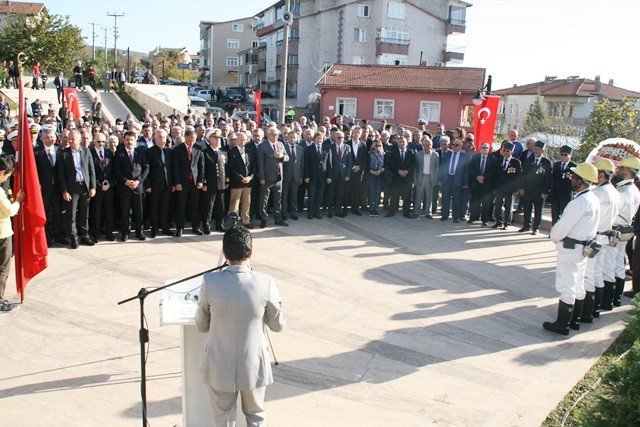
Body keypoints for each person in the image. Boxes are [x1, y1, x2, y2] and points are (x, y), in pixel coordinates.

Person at [196, 225, 285, 426]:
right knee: (256, 416)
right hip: (253, 364)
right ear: (250, 252)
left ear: (224, 252)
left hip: (219, 363)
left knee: (224, 419)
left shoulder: (210, 281)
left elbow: (201, 324)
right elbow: (277, 325)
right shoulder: (265, 282)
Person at [544, 162, 599, 335]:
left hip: (571, 248)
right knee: (578, 284)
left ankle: (562, 325)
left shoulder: (579, 202)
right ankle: (574, 321)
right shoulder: (592, 198)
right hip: (581, 248)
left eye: (574, 177)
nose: (571, 179)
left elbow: (563, 226)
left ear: (581, 181)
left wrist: (553, 236)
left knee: (566, 285)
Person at [581, 159, 619, 322]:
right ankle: (595, 308)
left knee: (589, 275)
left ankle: (587, 312)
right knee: (599, 273)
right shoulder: (614, 191)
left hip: (596, 236)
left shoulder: (598, 192)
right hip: (605, 237)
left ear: (602, 174)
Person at [608, 156, 640, 308]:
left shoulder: (624, 191)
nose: (618, 170)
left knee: (610, 265)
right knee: (619, 264)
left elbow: (612, 212)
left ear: (627, 172)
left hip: (616, 229)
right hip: (625, 230)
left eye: (621, 168)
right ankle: (616, 299)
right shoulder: (633, 189)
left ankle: (608, 299)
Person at [57, 130, 97, 248]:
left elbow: (91, 170)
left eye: (72, 139)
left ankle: (85, 236)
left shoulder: (86, 151)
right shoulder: (63, 153)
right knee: (71, 215)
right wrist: (64, 191)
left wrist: (93, 186)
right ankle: (73, 238)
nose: (69, 140)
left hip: (84, 186)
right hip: (71, 188)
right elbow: (61, 174)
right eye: (69, 138)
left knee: (85, 214)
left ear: (79, 140)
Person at [113, 131, 149, 241]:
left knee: (139, 210)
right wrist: (126, 181)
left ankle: (139, 232)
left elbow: (146, 168)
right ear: (123, 140)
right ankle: (125, 232)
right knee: (125, 210)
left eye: (131, 139)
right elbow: (116, 170)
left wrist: (138, 181)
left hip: (138, 186)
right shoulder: (119, 153)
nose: (129, 142)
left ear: (135, 140)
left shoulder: (141, 152)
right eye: (127, 139)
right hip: (124, 187)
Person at [0, 158, 25, 312]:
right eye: (7, 176)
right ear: (2, 173)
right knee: (3, 268)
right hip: (2, 234)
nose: (7, 178)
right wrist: (18, 201)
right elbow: (10, 211)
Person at [172, 127, 205, 236]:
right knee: (181, 206)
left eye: (194, 140)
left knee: (194, 206)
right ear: (185, 137)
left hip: (195, 183)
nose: (192, 143)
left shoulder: (199, 149)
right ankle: (179, 228)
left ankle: (195, 226)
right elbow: (175, 168)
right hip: (182, 182)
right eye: (190, 140)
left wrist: (200, 181)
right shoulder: (177, 150)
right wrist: (177, 183)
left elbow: (201, 166)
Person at [34, 127, 62, 246]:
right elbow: (34, 171)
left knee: (57, 213)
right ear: (42, 139)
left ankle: (58, 236)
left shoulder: (60, 151)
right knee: (44, 213)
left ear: (55, 139)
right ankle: (46, 238)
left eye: (51, 137)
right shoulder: (37, 152)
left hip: (57, 189)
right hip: (43, 189)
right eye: (47, 137)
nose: (49, 139)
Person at [257, 127, 288, 228]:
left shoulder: (280, 144)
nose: (275, 136)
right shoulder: (262, 146)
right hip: (267, 177)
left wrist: (282, 156)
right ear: (268, 135)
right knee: (264, 200)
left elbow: (287, 157)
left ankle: (278, 219)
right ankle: (264, 219)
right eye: (273, 134)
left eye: (276, 135)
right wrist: (262, 178)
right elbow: (260, 163)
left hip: (279, 177)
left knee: (278, 199)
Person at [518, 141, 551, 234]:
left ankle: (536, 228)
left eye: (537, 149)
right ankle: (526, 225)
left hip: (540, 190)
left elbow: (548, 178)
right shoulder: (529, 160)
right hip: (528, 189)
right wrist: (521, 187)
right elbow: (523, 174)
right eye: (534, 149)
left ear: (542, 150)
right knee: (527, 208)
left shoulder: (546, 162)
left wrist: (545, 191)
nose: (535, 151)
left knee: (538, 210)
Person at [145, 129, 174, 237]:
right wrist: (147, 185)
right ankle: (154, 229)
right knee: (154, 208)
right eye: (160, 137)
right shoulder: (149, 152)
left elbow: (172, 168)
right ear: (155, 138)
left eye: (164, 137)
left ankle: (165, 228)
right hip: (154, 185)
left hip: (167, 185)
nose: (163, 139)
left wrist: (174, 184)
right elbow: (146, 170)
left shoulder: (169, 151)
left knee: (165, 208)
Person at [199, 129, 227, 234]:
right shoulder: (205, 153)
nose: (217, 140)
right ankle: (206, 225)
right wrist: (204, 183)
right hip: (210, 184)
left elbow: (225, 168)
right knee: (208, 207)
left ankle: (220, 224)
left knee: (220, 206)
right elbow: (203, 169)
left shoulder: (222, 152)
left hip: (221, 183)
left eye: (218, 138)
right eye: (215, 138)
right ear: (209, 139)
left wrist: (226, 180)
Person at [89, 132, 116, 243]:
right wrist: (99, 184)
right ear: (94, 141)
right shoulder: (90, 153)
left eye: (103, 142)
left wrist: (109, 182)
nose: (101, 143)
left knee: (109, 211)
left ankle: (109, 233)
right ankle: (96, 234)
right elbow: (90, 172)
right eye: (98, 141)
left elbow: (114, 170)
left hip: (109, 188)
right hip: (97, 187)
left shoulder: (110, 153)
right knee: (96, 211)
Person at [228, 132, 257, 228]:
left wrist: (250, 177)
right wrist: (241, 178)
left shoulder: (250, 151)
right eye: (241, 139)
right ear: (236, 140)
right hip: (237, 182)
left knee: (246, 202)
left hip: (248, 182)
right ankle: (233, 221)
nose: (242, 141)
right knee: (235, 202)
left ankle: (246, 220)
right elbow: (232, 168)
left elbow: (253, 166)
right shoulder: (232, 151)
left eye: (244, 139)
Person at [492, 142, 521, 230]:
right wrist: (495, 187)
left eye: (507, 151)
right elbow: (495, 174)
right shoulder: (499, 160)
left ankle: (506, 223)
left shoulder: (516, 162)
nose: (505, 152)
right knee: (497, 205)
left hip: (510, 188)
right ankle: (498, 221)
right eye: (504, 150)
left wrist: (516, 188)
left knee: (508, 206)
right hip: (500, 187)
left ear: (511, 152)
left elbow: (518, 176)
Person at [437, 139, 468, 222]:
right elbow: (442, 167)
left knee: (456, 200)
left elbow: (466, 171)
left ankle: (456, 217)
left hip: (458, 180)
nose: (454, 146)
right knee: (445, 198)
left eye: (456, 145)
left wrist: (465, 183)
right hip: (447, 179)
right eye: (453, 144)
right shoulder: (447, 154)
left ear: (461, 147)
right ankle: (444, 215)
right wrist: (439, 179)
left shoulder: (464, 156)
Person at [304, 131, 332, 219]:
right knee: (311, 195)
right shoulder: (309, 149)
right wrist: (306, 176)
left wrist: (329, 176)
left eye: (321, 138)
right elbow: (306, 164)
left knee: (319, 196)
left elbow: (329, 164)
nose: (320, 140)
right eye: (318, 138)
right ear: (314, 139)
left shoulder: (327, 148)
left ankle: (316, 212)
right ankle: (310, 213)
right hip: (312, 176)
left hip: (323, 177)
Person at [468, 143, 497, 226]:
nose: (484, 149)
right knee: (474, 201)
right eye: (483, 148)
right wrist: (477, 177)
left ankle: (484, 220)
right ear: (480, 149)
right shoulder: (474, 157)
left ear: (489, 149)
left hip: (487, 184)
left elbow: (493, 171)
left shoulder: (493, 159)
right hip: (475, 183)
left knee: (486, 202)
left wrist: (483, 177)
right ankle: (473, 218)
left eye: (486, 148)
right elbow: (471, 168)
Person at [387, 136, 416, 218]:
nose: (402, 143)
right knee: (394, 195)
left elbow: (413, 164)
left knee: (407, 196)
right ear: (397, 143)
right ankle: (391, 212)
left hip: (407, 178)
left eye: (403, 141)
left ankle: (406, 213)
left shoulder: (411, 152)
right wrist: (398, 171)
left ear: (406, 143)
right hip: (397, 177)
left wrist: (407, 171)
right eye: (400, 142)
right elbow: (391, 163)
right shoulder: (393, 152)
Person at [326, 131, 351, 218]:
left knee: (340, 194)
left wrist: (348, 174)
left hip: (343, 175)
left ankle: (338, 211)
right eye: (339, 137)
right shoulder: (330, 147)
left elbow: (349, 162)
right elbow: (328, 163)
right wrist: (329, 176)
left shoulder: (347, 147)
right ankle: (329, 211)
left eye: (342, 137)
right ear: (335, 138)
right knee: (331, 193)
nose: (341, 139)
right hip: (333, 174)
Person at [413, 137, 439, 219]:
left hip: (430, 178)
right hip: (421, 177)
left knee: (429, 196)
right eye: (426, 145)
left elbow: (437, 168)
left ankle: (428, 212)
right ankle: (416, 212)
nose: (427, 146)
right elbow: (415, 169)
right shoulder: (418, 154)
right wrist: (415, 179)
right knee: (418, 196)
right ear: (423, 145)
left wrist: (435, 179)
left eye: (429, 144)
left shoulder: (436, 155)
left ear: (431, 145)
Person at [281, 129, 305, 221]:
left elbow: (302, 164)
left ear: (297, 138)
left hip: (296, 176)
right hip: (286, 176)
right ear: (288, 138)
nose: (292, 139)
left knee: (294, 196)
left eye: (294, 137)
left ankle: (293, 213)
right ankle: (284, 213)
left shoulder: (300, 149)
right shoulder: (284, 147)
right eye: (291, 137)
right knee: (285, 196)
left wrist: (301, 176)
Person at [550, 145, 576, 224]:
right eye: (562, 155)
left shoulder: (574, 166)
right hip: (555, 195)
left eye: (565, 155)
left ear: (570, 155)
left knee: (565, 217)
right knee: (554, 216)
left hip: (566, 196)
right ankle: (554, 232)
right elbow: (552, 178)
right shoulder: (556, 165)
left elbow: (575, 182)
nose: (563, 156)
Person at [366, 139, 386, 217]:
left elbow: (386, 165)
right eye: (376, 145)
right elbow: (367, 165)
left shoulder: (383, 154)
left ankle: (376, 208)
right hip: (371, 174)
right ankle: (371, 208)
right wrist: (373, 172)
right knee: (372, 191)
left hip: (380, 175)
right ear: (373, 146)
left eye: (380, 145)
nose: (378, 147)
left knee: (378, 192)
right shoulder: (369, 154)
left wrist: (380, 171)